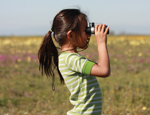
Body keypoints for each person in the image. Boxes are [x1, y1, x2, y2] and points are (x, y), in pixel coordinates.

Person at [38, 8, 110, 115]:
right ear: (71, 35)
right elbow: (104, 70)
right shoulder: (70, 59)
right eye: (85, 30)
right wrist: (101, 43)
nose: (89, 34)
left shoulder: (68, 58)